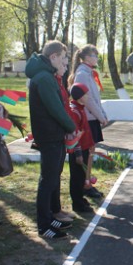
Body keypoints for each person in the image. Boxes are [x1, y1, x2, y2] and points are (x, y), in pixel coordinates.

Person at [26, 41, 76, 239]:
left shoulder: (46, 76)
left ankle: (49, 217)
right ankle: (44, 225)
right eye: (63, 58)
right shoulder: (45, 78)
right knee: (47, 181)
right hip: (49, 135)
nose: (64, 62)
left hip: (52, 134)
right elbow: (54, 108)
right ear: (53, 57)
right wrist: (70, 127)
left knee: (52, 177)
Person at [72, 45, 108, 199]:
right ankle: (85, 185)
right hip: (88, 119)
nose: (97, 58)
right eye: (94, 55)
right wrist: (100, 116)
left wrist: (102, 113)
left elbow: (95, 98)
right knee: (87, 154)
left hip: (93, 117)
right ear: (86, 57)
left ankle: (87, 184)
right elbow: (88, 100)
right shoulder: (82, 74)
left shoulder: (88, 73)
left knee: (90, 153)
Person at [67, 83, 95, 214]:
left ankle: (80, 198)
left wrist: (89, 146)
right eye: (86, 94)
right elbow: (75, 133)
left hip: (84, 148)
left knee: (81, 176)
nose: (88, 96)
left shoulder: (81, 108)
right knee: (77, 178)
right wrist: (78, 154)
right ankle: (77, 204)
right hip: (77, 151)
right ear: (79, 97)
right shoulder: (74, 111)